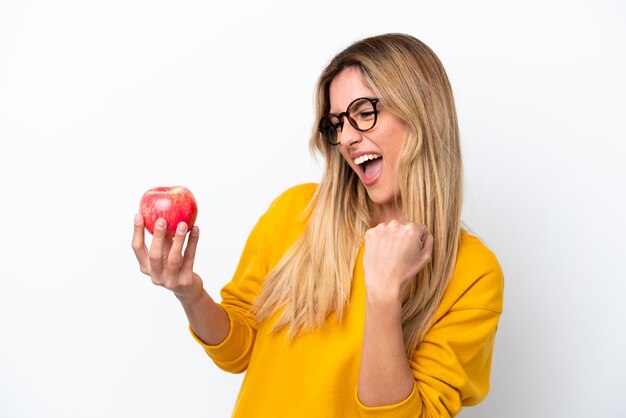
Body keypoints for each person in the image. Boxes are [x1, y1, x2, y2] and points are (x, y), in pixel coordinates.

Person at [132, 33, 504, 418]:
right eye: (336, 123)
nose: (345, 137)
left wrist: (383, 294)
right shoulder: (295, 212)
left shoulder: (474, 273)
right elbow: (237, 352)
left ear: (422, 113)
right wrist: (189, 292)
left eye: (363, 112)